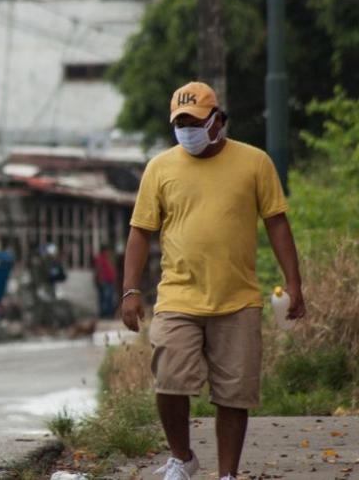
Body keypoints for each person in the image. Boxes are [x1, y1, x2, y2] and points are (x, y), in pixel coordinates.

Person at [121, 82, 306, 480]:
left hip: (237, 299)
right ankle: (182, 457)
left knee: (233, 394)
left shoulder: (255, 163)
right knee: (169, 381)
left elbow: (276, 223)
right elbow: (140, 231)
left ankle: (227, 475)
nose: (186, 129)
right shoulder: (160, 168)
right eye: (180, 123)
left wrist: (295, 284)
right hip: (177, 297)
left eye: (194, 122)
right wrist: (130, 290)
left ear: (217, 121)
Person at [93, 244, 117, 318]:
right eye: (107, 251)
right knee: (105, 298)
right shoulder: (100, 258)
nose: (109, 252)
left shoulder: (108, 258)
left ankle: (109, 313)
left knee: (109, 298)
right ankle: (105, 314)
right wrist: (100, 280)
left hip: (110, 281)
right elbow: (98, 269)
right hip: (104, 281)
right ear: (104, 251)